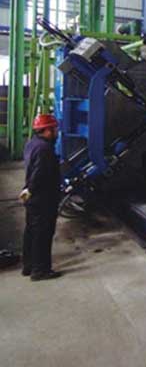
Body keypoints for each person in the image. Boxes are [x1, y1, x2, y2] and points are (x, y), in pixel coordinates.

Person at [19, 114, 62, 281]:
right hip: (43, 198)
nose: (56, 132)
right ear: (47, 131)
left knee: (31, 231)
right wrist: (32, 189)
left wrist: (28, 190)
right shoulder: (45, 149)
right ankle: (40, 270)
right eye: (54, 129)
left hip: (33, 198)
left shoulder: (32, 143)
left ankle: (28, 266)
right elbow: (39, 174)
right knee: (43, 234)